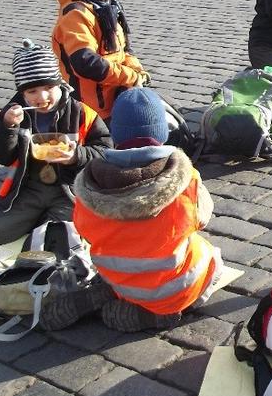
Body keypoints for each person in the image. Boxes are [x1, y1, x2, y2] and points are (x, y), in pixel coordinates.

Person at [67, 88, 223, 332]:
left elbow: (82, 229)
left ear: (115, 131)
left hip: (118, 278)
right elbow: (202, 217)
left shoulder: (89, 183)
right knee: (212, 257)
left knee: (120, 250)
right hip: (171, 287)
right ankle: (163, 313)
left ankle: (112, 290)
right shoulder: (184, 177)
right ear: (162, 131)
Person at [0, 40, 110, 243]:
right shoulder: (12, 114)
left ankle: (39, 225)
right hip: (29, 187)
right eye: (32, 91)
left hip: (70, 189)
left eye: (49, 87)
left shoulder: (82, 113)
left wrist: (76, 156)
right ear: (22, 93)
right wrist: (7, 127)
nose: (42, 97)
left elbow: (106, 151)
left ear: (60, 84)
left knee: (68, 235)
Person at [52, 0, 149, 122]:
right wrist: (130, 77)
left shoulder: (107, 7)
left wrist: (136, 70)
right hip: (93, 111)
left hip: (117, 99)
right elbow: (86, 62)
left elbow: (124, 49)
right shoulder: (76, 14)